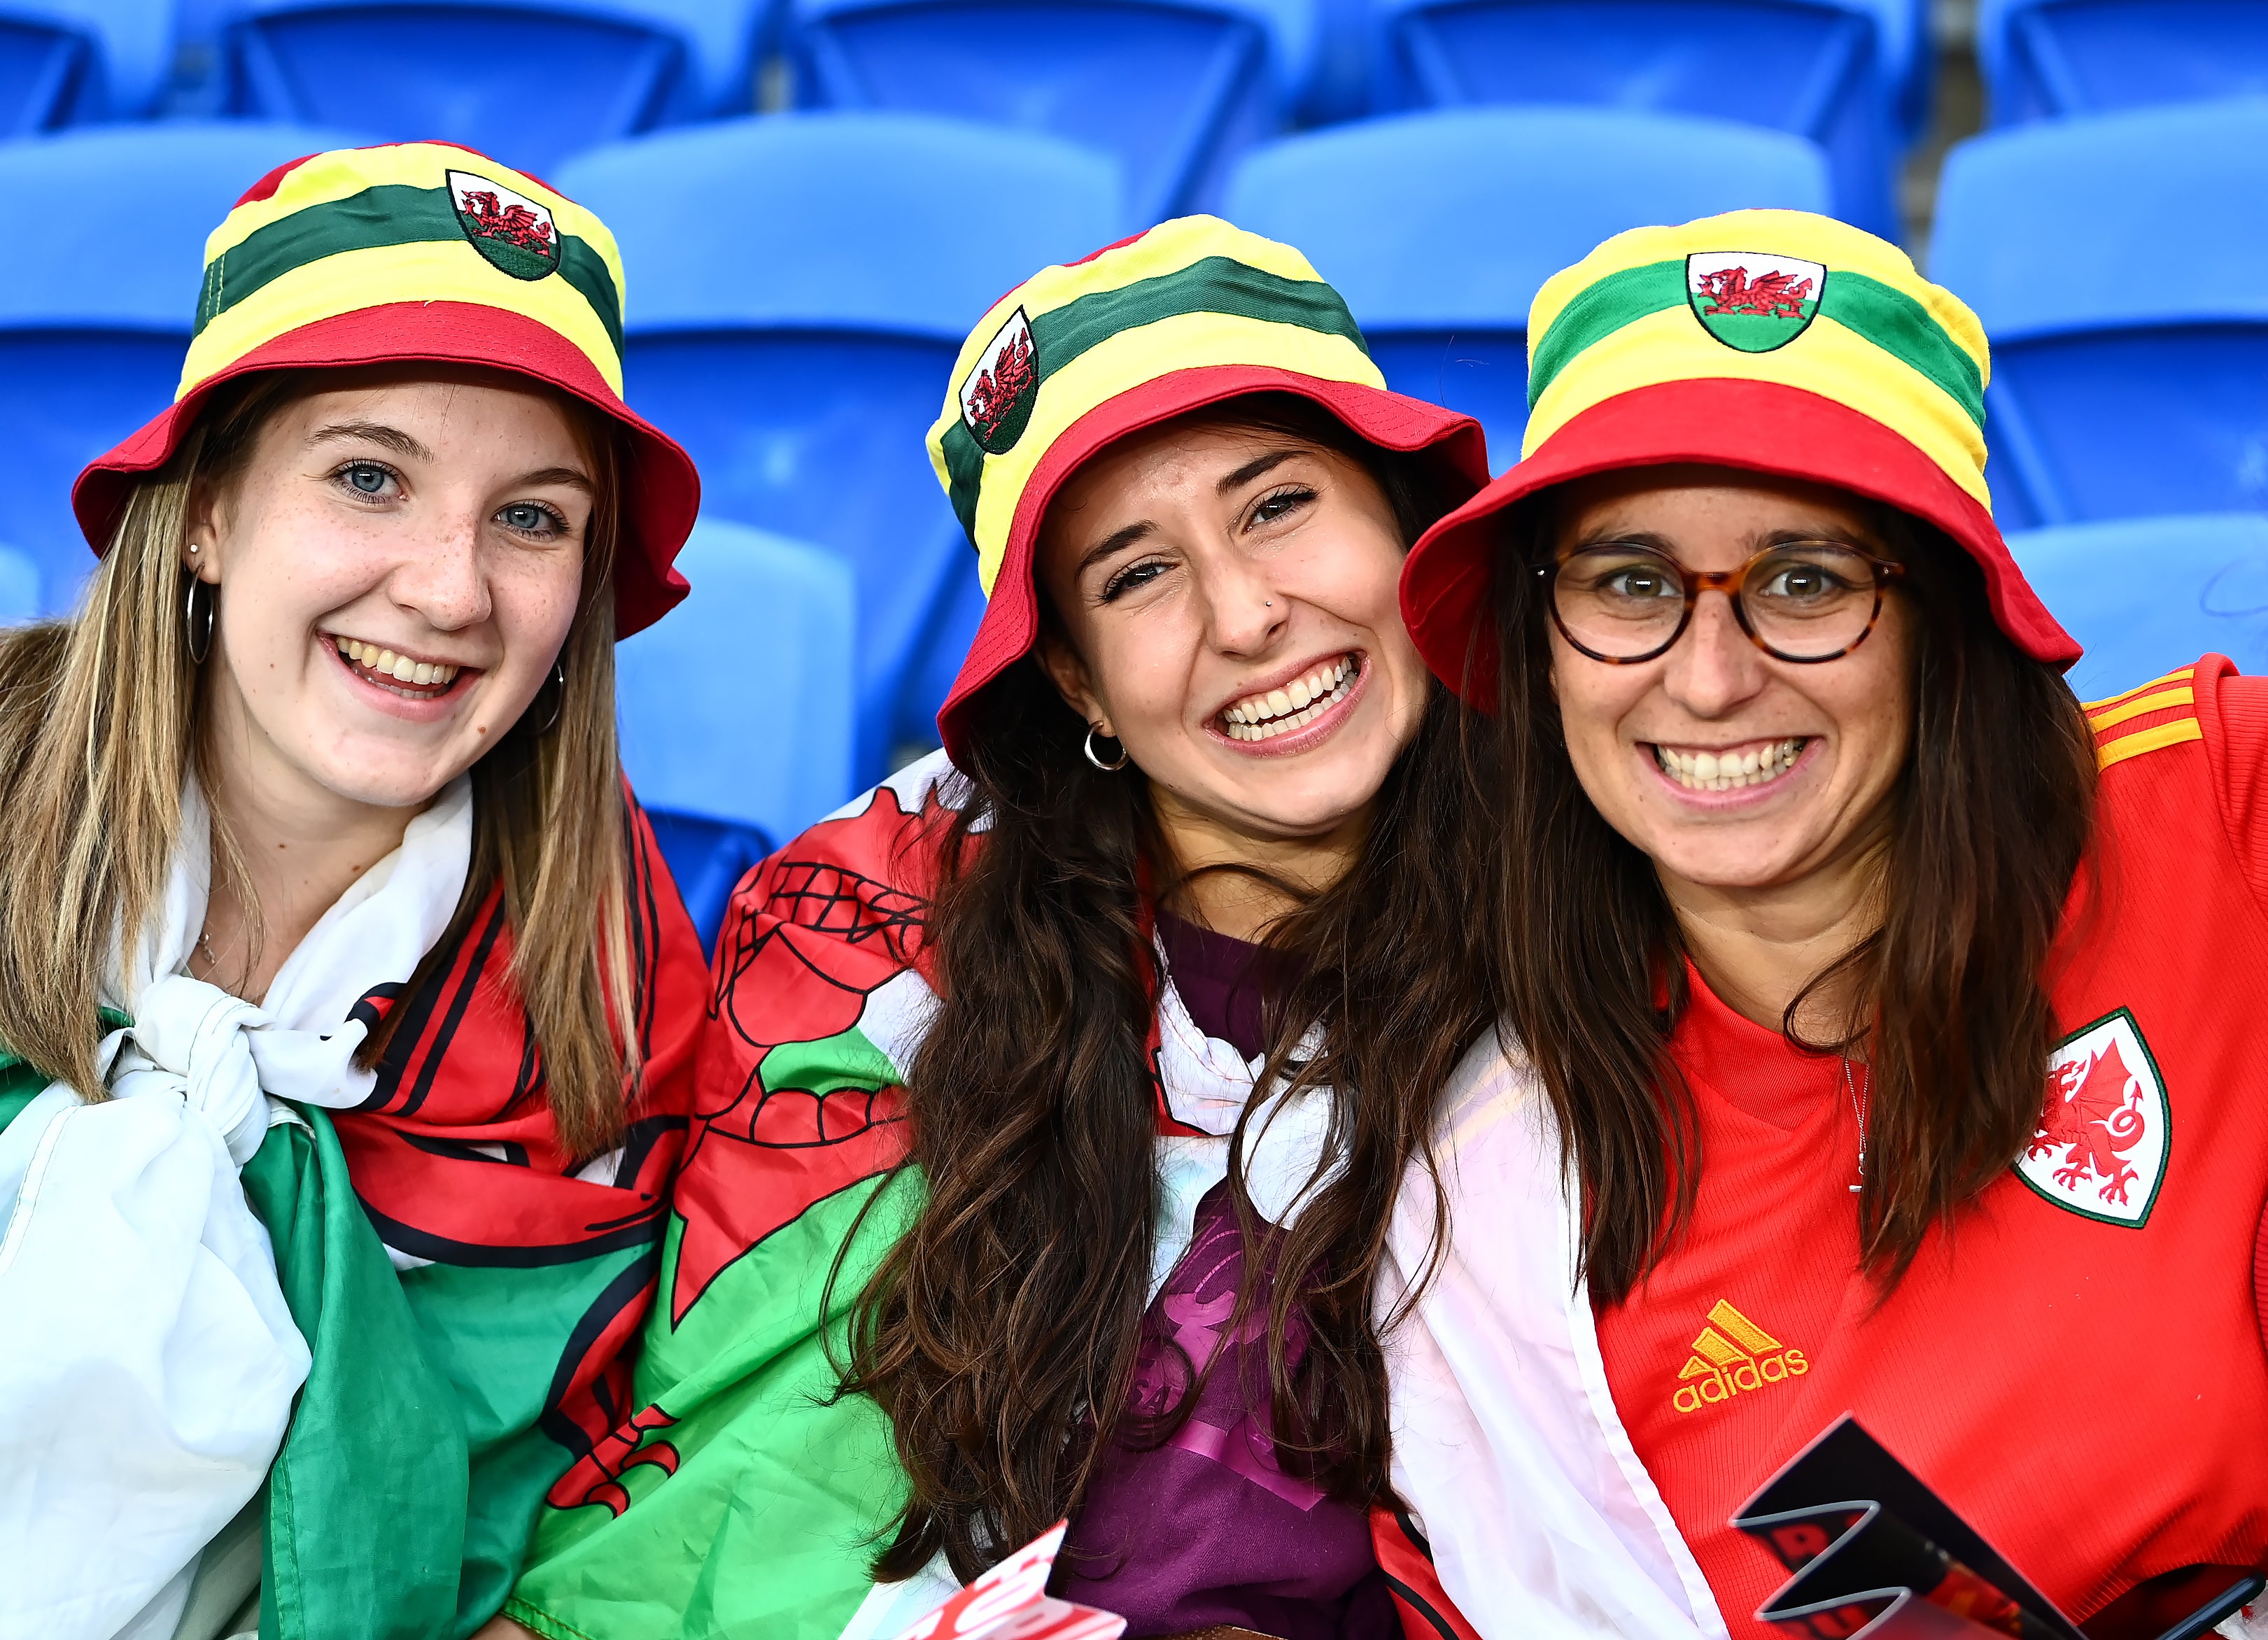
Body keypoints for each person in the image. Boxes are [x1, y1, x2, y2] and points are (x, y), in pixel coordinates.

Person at [495, 215, 1495, 1640]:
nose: (1246, 613)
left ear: (1403, 526)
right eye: (1137, 573)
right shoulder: (887, 950)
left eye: (1278, 505)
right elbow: (749, 1483)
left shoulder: (1614, 888)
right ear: (1079, 684)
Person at [1374, 208, 2268, 1639]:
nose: (1711, 678)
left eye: (1805, 580)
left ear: (1942, 617)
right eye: (1630, 581)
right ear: (1541, 637)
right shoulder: (1487, 1199)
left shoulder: (2220, 805)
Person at [1, 142, 711, 1639]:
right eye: (368, 476)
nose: (451, 590)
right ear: (204, 510)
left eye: (531, 517)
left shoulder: (620, 986)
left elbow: (577, 1489)